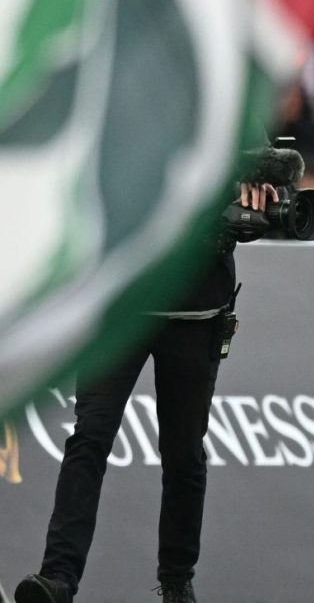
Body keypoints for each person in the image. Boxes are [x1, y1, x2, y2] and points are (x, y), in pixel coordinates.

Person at [14, 182, 282, 603]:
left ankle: (176, 581)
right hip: (120, 306)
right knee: (90, 436)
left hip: (197, 314)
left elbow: (271, 170)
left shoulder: (223, 115)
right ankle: (58, 577)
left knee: (183, 451)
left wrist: (261, 185)